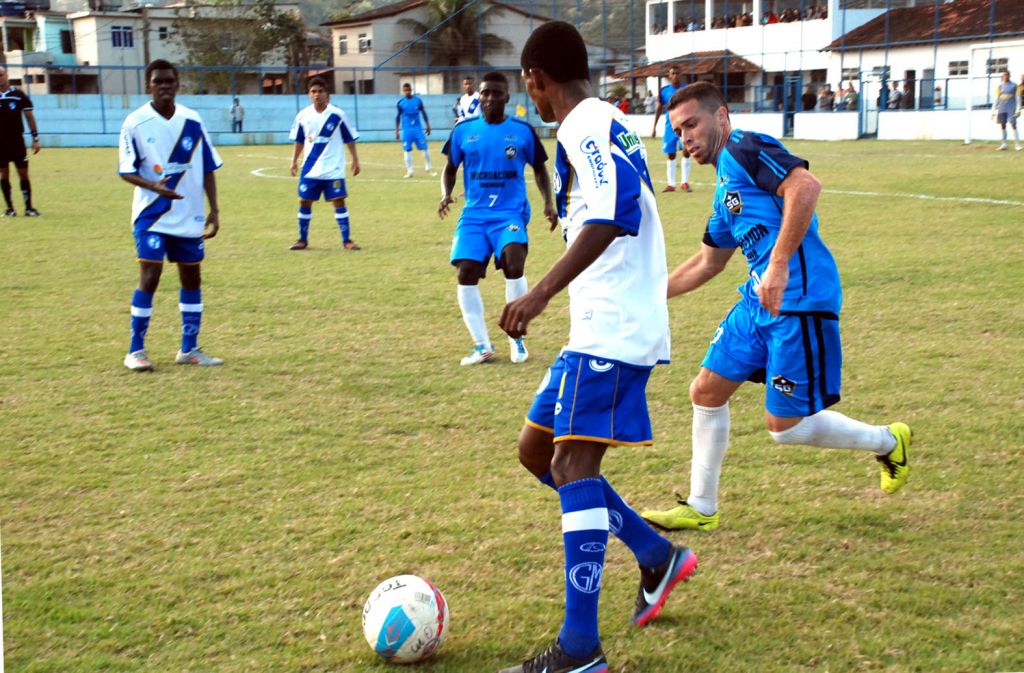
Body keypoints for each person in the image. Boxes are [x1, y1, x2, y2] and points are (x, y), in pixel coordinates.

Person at [496, 21, 698, 673]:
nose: (533, 99)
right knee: (539, 453)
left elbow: (614, 213)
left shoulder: (582, 122)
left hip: (613, 326)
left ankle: (580, 651)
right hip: (602, 327)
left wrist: (541, 291)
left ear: (535, 78)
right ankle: (656, 554)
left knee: (574, 467)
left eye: (530, 88)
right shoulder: (603, 117)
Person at [639, 82, 911, 533]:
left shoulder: (746, 146)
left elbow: (805, 185)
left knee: (784, 427)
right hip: (758, 301)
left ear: (722, 117)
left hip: (800, 298)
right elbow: (708, 262)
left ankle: (887, 440)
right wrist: (646, 293)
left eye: (692, 124)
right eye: (678, 130)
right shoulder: (724, 187)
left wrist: (780, 264)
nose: (685, 138)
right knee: (705, 391)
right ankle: (701, 506)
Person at [438, 71, 556, 366]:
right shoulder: (464, 130)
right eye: (484, 93)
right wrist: (446, 193)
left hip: (509, 213)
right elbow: (450, 167)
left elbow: (541, 169)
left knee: (514, 264)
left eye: (495, 93)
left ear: (507, 97)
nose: (489, 98)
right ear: (478, 96)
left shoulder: (522, 131)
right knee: (466, 272)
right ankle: (482, 346)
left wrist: (548, 203)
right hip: (475, 215)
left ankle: (516, 338)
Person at [118, 59, 224, 371]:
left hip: (189, 216)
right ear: (147, 86)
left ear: (178, 84)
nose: (164, 86)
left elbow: (207, 167)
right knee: (150, 276)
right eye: (157, 82)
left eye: (169, 81)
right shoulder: (134, 123)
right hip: (152, 215)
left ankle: (189, 349)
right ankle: (135, 351)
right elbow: (126, 170)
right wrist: (155, 187)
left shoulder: (193, 120)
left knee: (192, 276)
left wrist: (214, 209)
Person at [288, 77, 361, 251]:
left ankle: (347, 240)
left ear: (327, 94)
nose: (317, 95)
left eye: (320, 91)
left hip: (333, 168)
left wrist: (355, 160)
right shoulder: (303, 116)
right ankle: (302, 240)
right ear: (309, 94)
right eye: (313, 91)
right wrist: (293, 161)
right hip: (310, 168)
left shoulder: (338, 115)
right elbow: (298, 141)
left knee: (338, 201)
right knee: (304, 201)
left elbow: (349, 138)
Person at [0, 65, 41, 217]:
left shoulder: (19, 95)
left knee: (23, 174)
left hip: (17, 142)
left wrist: (35, 138)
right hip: (0, 143)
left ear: (6, 75)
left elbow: (29, 117)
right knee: (4, 174)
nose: (0, 78)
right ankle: (10, 209)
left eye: (1, 74)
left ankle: (29, 208)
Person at [652, 64, 692, 193]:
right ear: (669, 76)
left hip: (684, 126)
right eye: (673, 73)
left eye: (677, 73)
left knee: (687, 151)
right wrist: (654, 127)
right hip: (670, 127)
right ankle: (671, 184)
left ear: (681, 75)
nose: (675, 75)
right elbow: (659, 108)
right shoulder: (664, 91)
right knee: (671, 154)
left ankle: (684, 182)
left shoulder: (686, 90)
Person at [395, 82, 435, 177]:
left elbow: (424, 113)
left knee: (425, 148)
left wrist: (428, 126)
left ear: (411, 90)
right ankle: (410, 171)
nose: (407, 92)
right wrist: (397, 130)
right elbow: (397, 117)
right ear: (403, 91)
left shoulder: (418, 101)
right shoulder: (401, 103)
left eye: (409, 90)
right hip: (407, 130)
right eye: (405, 90)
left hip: (418, 129)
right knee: (407, 150)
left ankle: (428, 168)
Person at [992, 71, 1021, 151]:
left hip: (1011, 107)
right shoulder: (1000, 86)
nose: (1005, 77)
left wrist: (1018, 108)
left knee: (1013, 125)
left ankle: (1017, 144)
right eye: (1004, 75)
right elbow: (997, 97)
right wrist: (993, 109)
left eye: (1007, 75)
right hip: (1002, 107)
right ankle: (1004, 144)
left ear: (1009, 76)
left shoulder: (1014, 85)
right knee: (1002, 125)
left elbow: (1018, 97)